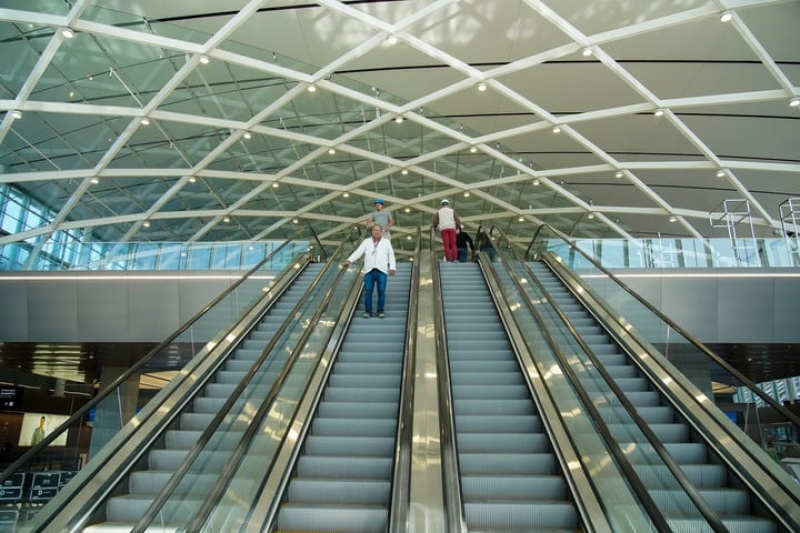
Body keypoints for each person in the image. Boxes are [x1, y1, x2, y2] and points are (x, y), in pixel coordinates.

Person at [343, 224, 397, 319]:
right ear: (371, 232)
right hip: (369, 270)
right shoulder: (366, 242)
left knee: (381, 291)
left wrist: (392, 267)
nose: (376, 232)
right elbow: (358, 252)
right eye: (374, 230)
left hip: (382, 270)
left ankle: (380, 311)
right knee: (368, 292)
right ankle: (368, 311)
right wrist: (349, 260)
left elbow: (391, 255)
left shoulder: (386, 242)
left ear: (381, 232)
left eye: (378, 230)